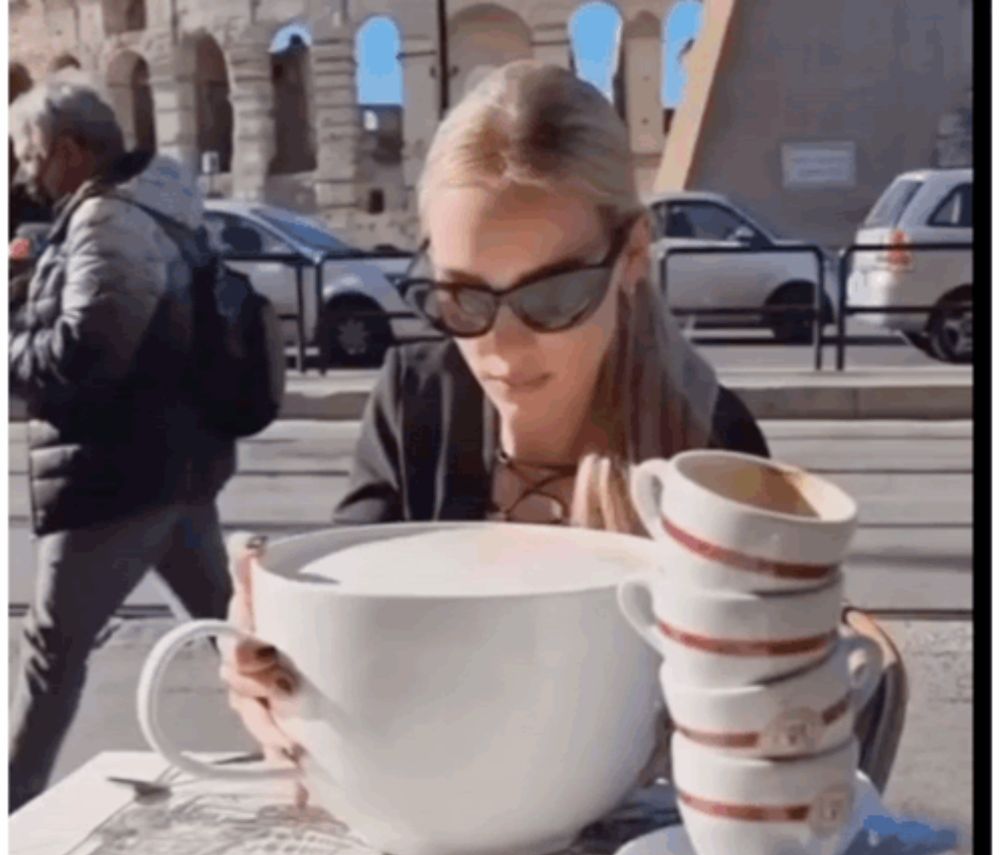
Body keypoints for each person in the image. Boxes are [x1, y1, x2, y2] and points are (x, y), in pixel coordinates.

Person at [219, 61, 769, 789]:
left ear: (633, 255)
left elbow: (761, 722)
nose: (501, 349)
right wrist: (270, 665)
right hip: (435, 821)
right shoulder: (416, 404)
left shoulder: (710, 446)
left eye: (555, 296)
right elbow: (344, 622)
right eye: (462, 299)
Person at [8, 77, 237, 812]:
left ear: (71, 151)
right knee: (232, 635)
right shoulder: (146, 210)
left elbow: (86, 356)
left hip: (115, 477)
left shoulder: (109, 220)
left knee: (51, 657)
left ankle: (11, 820)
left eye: (29, 154)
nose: (23, 173)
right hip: (175, 466)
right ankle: (328, 761)